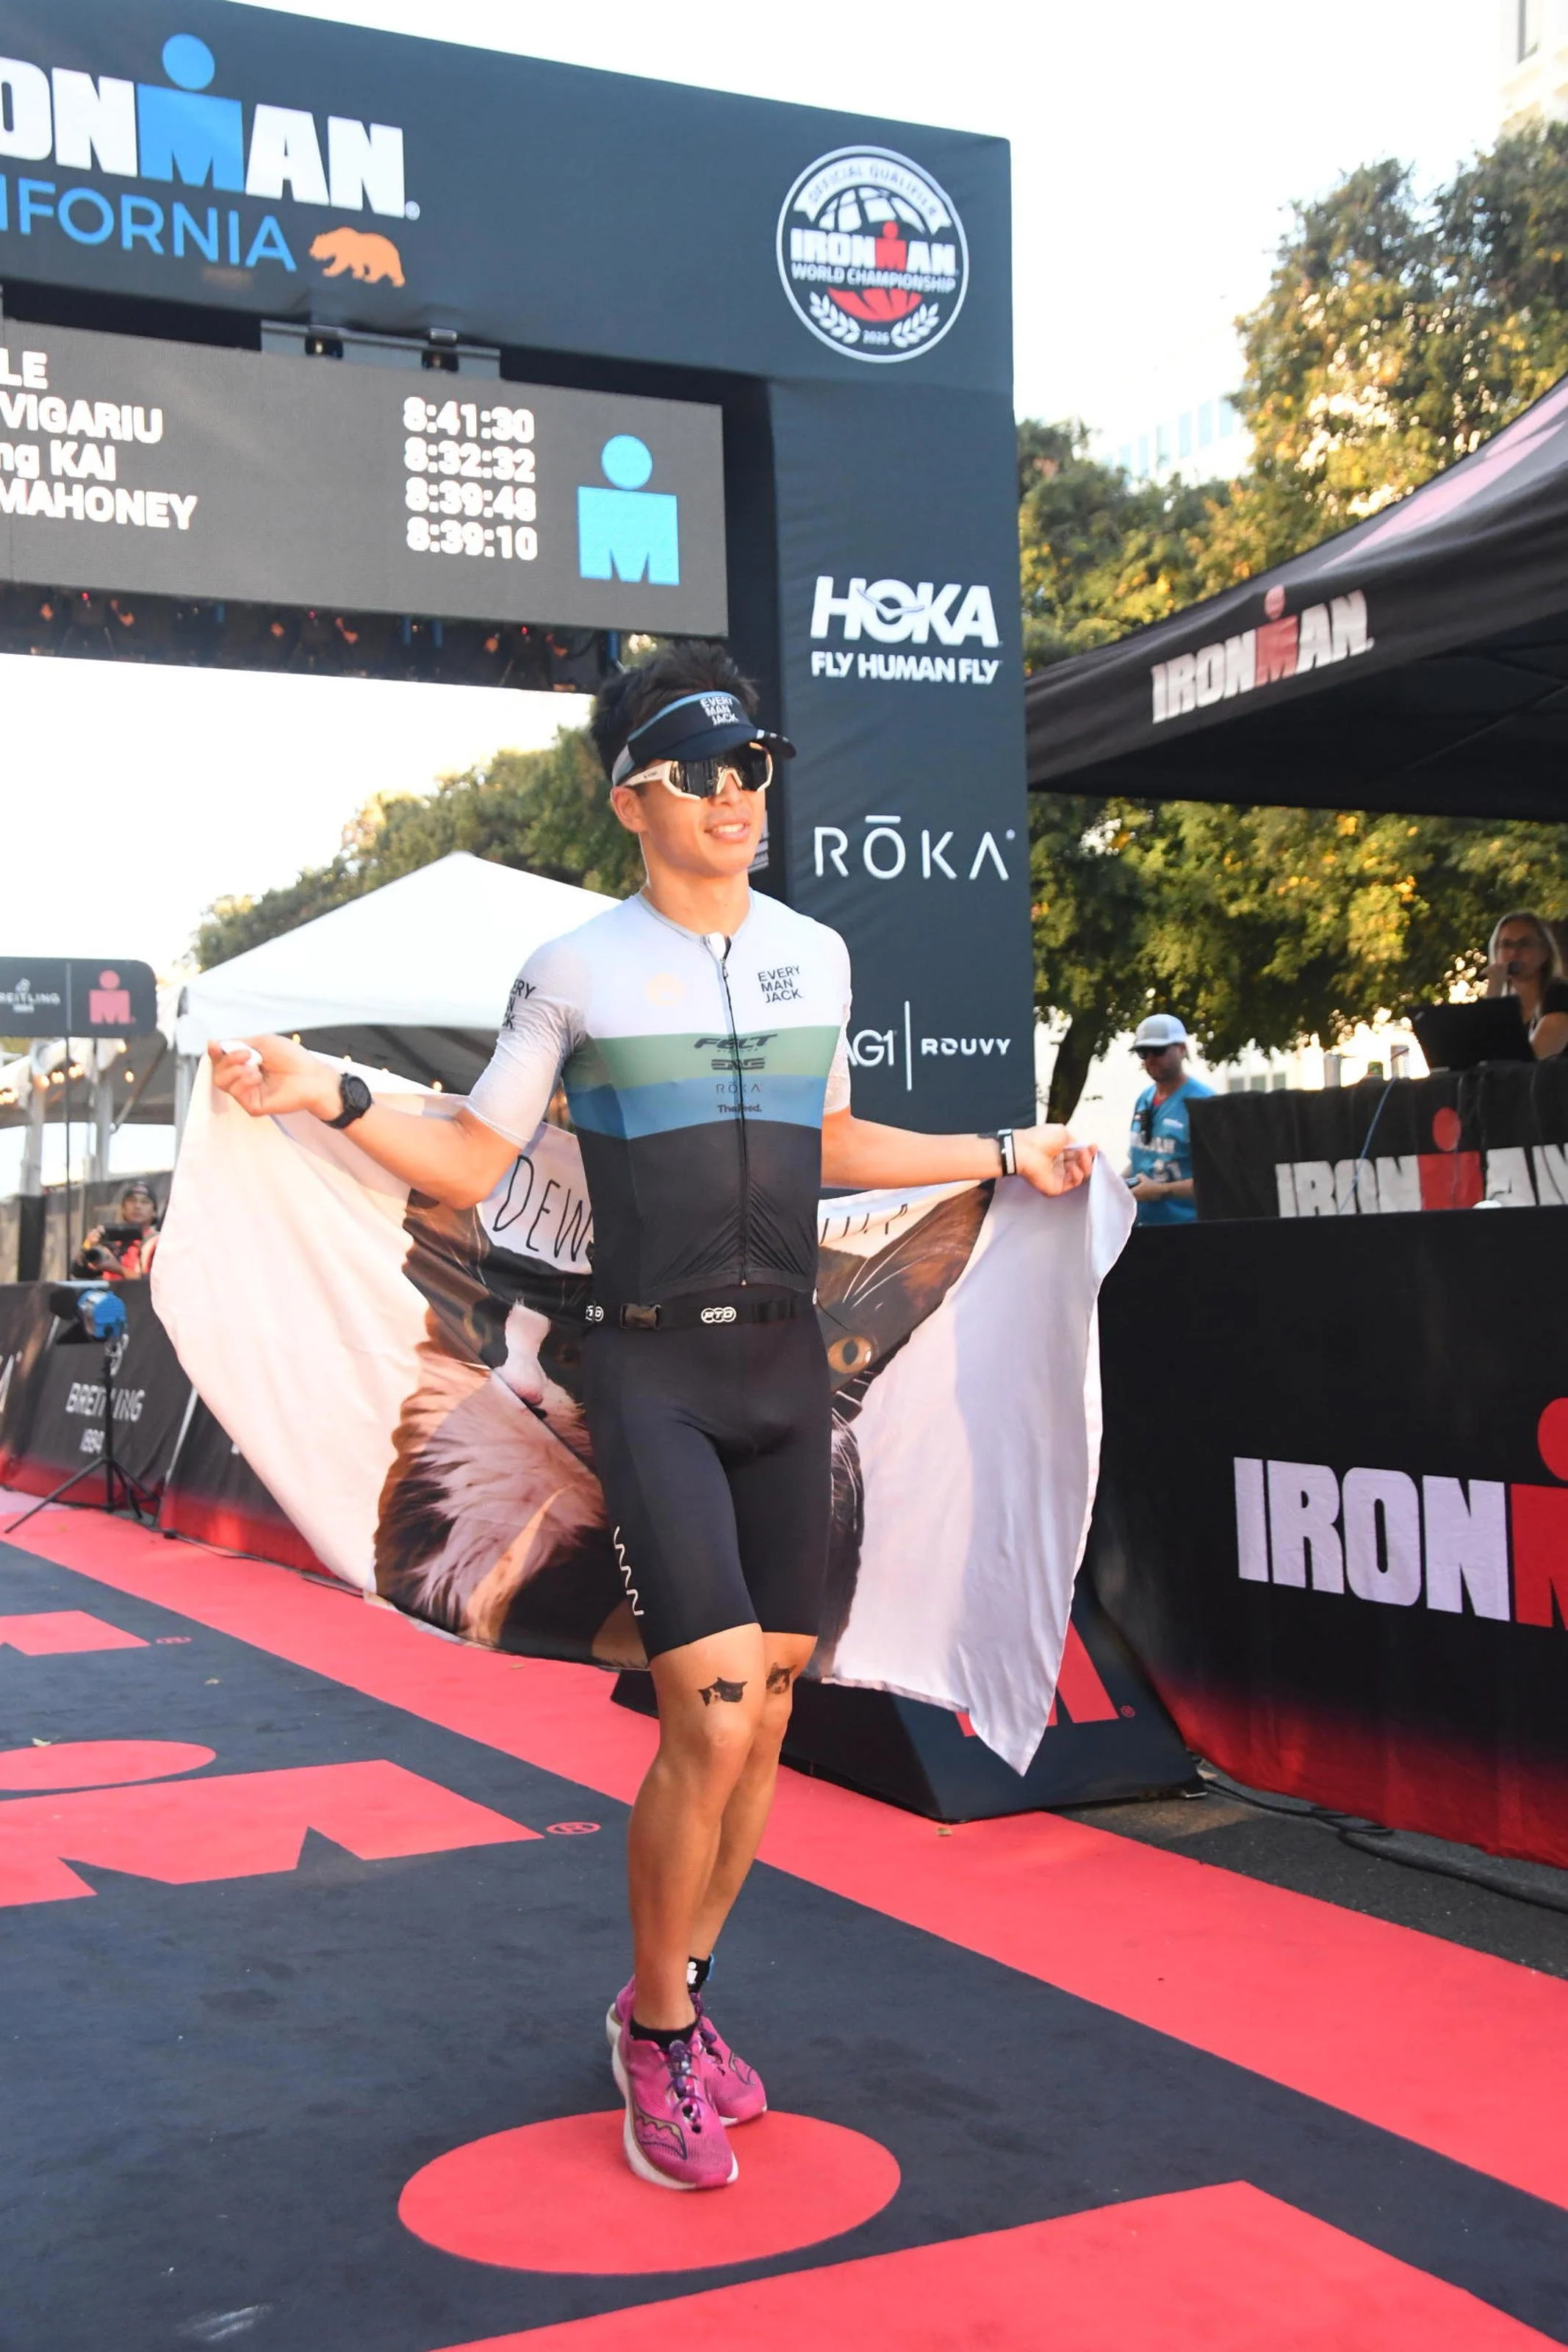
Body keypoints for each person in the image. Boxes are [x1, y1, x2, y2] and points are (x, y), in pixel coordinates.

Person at [208, 642, 1095, 2193]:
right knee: (702, 1712)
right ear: (632, 796)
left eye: (754, 764)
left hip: (781, 1368)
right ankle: (664, 2031)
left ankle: (668, 1989)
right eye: (702, 768)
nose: (738, 793)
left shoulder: (815, 955)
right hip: (644, 1372)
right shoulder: (573, 966)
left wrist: (996, 1146)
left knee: (760, 1722)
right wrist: (327, 1093)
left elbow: (821, 1144)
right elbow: (480, 1159)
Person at [1124, 1014, 1211, 1225]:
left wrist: (1162, 1191)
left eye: (1159, 1050)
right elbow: (1139, 1161)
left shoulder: (1203, 1104)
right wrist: (1113, 1185)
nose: (1151, 1058)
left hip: (1187, 1230)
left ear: (1181, 1049)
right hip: (1143, 1226)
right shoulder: (1144, 1099)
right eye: (1143, 1053)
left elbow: (1218, 1181)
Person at [1484, 911, 1568, 1059]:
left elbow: (1533, 1060)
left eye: (1525, 944)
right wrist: (1493, 993)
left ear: (1545, 952)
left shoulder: (1560, 995)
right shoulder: (1508, 1008)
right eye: (1506, 945)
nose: (1514, 953)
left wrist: (1492, 1002)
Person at [72, 1181, 160, 1280]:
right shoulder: (111, 1241)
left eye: (145, 1202)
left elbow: (157, 1285)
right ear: (123, 1209)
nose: (137, 1206)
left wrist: (118, 1269)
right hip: (112, 1294)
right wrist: (88, 1245)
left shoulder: (160, 1243)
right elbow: (78, 1271)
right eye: (132, 1201)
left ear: (154, 1212)